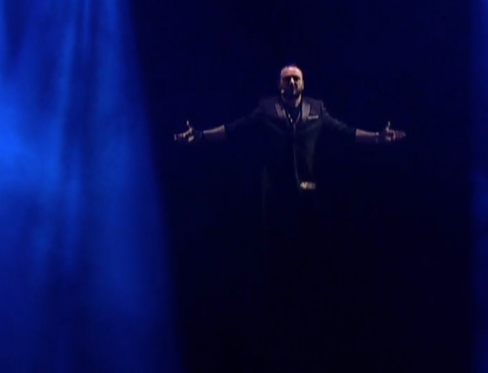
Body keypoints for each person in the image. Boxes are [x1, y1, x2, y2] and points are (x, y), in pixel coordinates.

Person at [173, 64, 406, 253]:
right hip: (274, 186)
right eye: (287, 79)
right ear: (280, 84)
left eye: (296, 78)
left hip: (307, 182)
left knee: (309, 236)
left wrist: (377, 138)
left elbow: (345, 131)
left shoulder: (316, 108)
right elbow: (235, 128)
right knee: (275, 239)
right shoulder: (266, 108)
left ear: (303, 83)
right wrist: (201, 135)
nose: (292, 82)